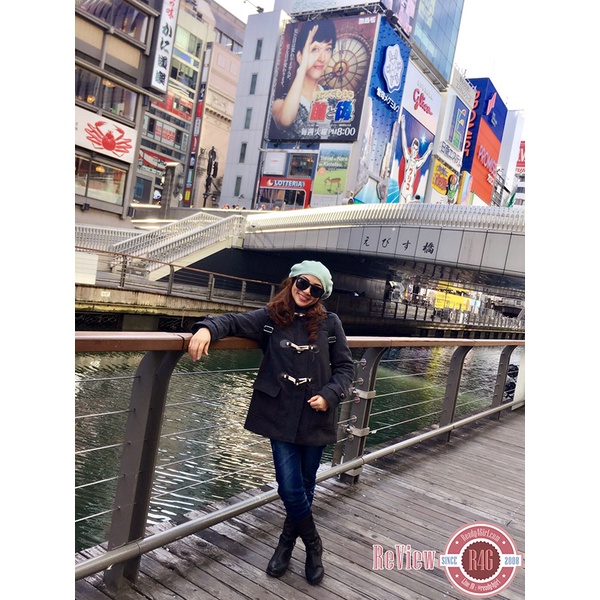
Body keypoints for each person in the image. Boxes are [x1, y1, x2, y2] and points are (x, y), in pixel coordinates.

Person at [187, 260, 354, 585]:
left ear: (321, 295)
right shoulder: (270, 317)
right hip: (280, 415)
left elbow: (345, 368)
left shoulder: (330, 323)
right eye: (303, 283)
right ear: (292, 282)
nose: (306, 292)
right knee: (289, 487)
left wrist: (330, 395)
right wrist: (206, 329)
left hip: (317, 415)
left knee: (306, 485)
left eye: (315, 289)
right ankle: (314, 545)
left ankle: (286, 544)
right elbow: (232, 321)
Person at [270, 20, 337, 137]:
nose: (322, 58)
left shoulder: (333, 97)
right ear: (299, 56)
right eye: (315, 49)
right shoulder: (279, 103)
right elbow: (285, 120)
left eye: (328, 49)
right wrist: (302, 69)